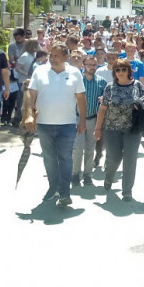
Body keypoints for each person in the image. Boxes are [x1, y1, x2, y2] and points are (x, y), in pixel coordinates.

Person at [23, 44, 87, 207]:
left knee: (65, 158)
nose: (52, 58)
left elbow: (80, 98)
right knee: (49, 158)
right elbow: (31, 94)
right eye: (51, 55)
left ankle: (65, 193)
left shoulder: (75, 73)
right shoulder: (40, 71)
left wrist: (83, 121)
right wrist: (29, 115)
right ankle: (53, 187)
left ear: (65, 57)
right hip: (44, 124)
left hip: (67, 124)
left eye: (56, 56)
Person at [93, 59, 144, 201]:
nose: (120, 72)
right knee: (114, 158)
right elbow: (103, 108)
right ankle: (109, 177)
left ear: (129, 70)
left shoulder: (137, 85)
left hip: (132, 129)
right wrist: (98, 128)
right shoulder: (110, 87)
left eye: (123, 69)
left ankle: (127, 191)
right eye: (117, 70)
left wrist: (142, 104)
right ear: (114, 72)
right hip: (112, 128)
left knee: (130, 160)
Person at [73, 56, 107, 187]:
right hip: (77, 118)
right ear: (83, 65)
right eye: (89, 64)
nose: (92, 67)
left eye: (94, 65)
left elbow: (105, 99)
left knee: (90, 148)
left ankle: (88, 174)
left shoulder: (101, 82)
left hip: (93, 118)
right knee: (77, 147)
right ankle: (75, 173)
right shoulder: (77, 80)